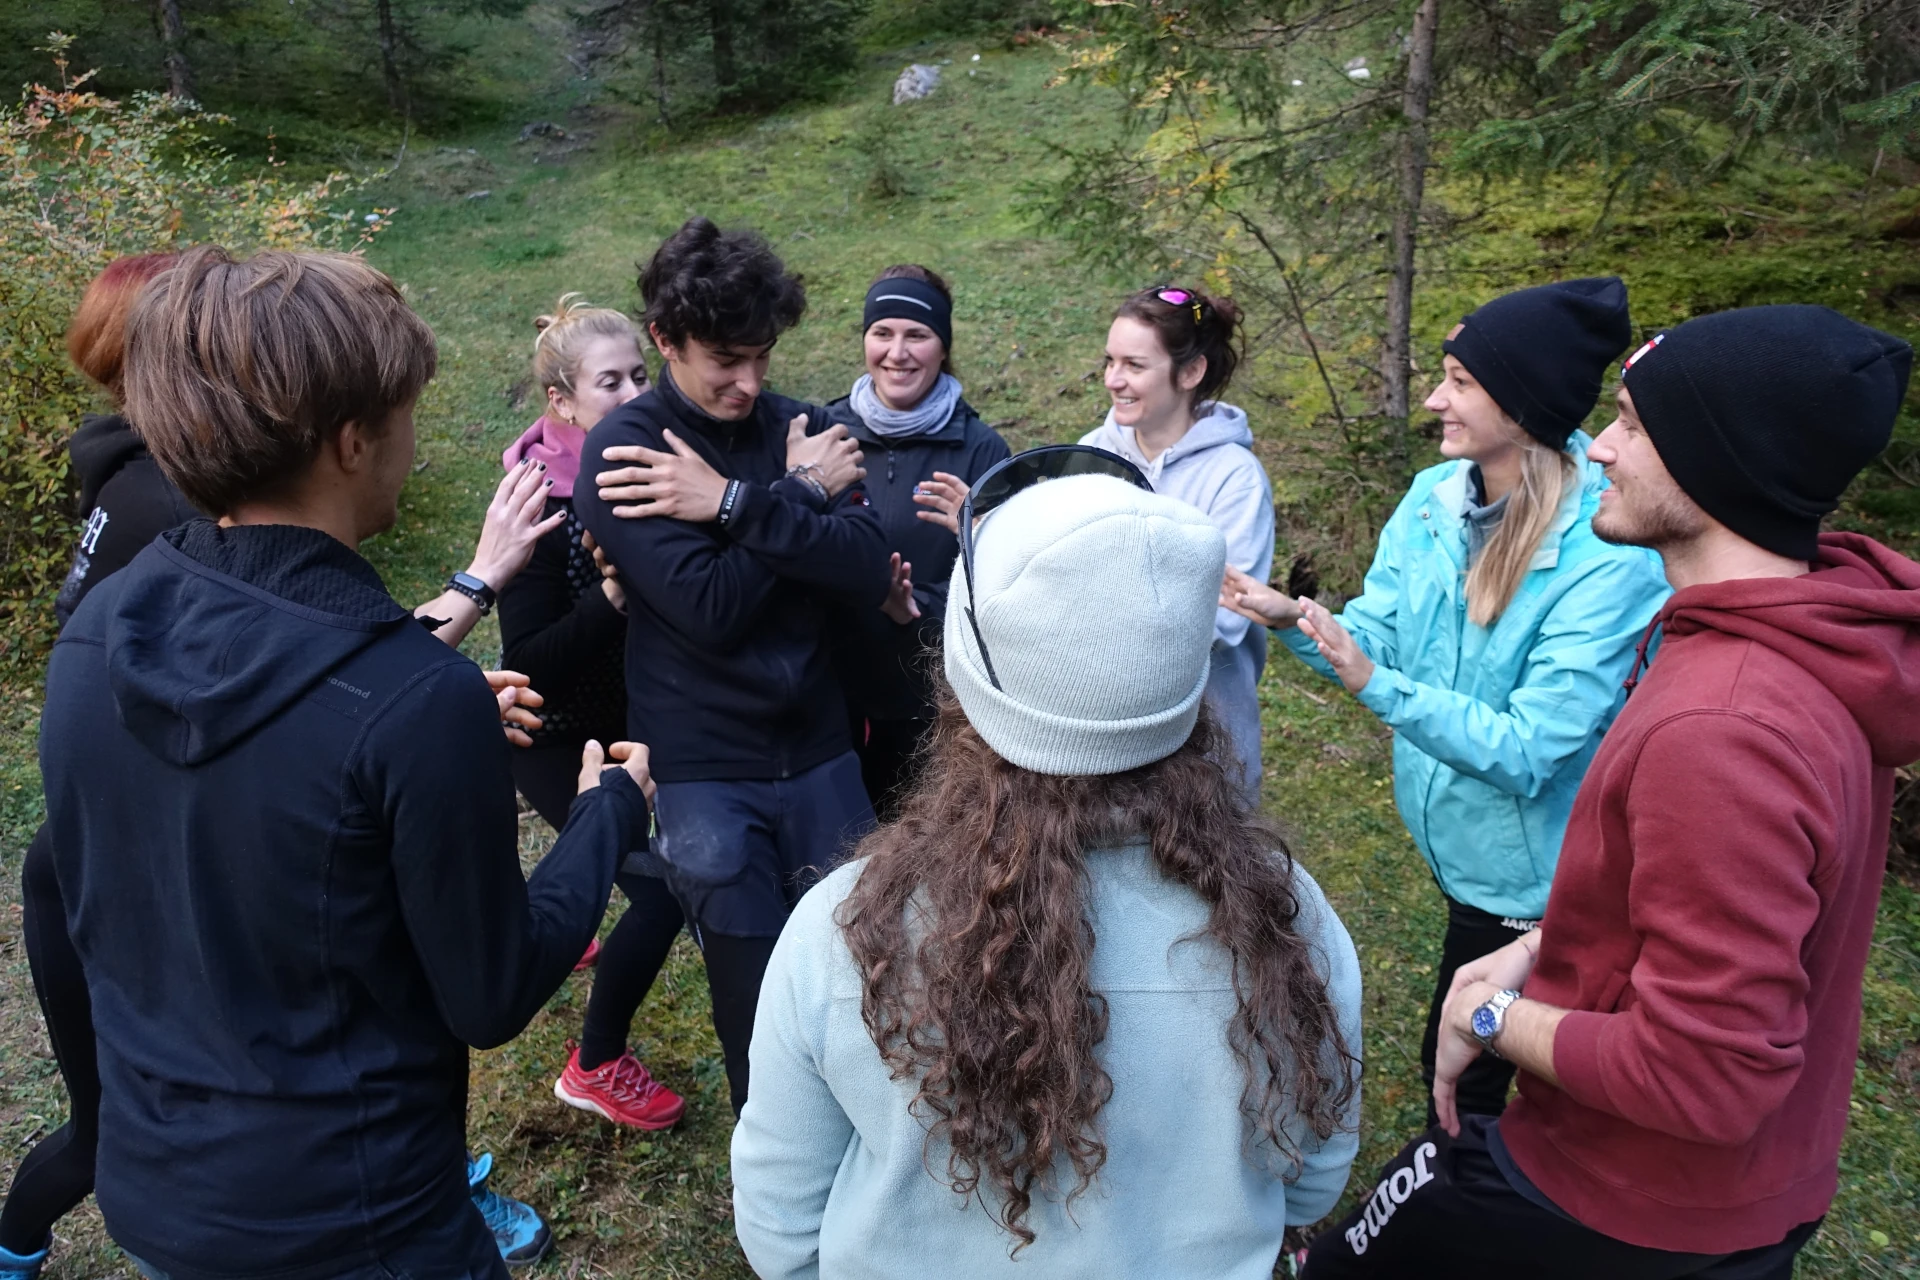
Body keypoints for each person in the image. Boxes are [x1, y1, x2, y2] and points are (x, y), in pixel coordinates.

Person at [35, 246, 655, 1280]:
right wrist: (604, 813)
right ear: (354, 438)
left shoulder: (100, 629)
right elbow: (490, 993)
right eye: (408, 411)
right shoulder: (413, 698)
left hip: (159, 1194)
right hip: (359, 1226)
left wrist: (426, 736)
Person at [1303, 304, 1919, 1278]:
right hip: (1742, 1188)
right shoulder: (1797, 633)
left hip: (1627, 1194)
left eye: (1631, 424)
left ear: (1722, 460)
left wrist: (1489, 1017)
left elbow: (1707, 1072)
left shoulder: (1724, 727)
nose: (1600, 452)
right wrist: (1543, 945)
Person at [731, 461, 1363, 1278]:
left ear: (962, 681)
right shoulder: (1288, 921)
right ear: (1188, 686)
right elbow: (1310, 1184)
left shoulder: (846, 928)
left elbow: (782, 1232)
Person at [1223, 278, 1668, 1124]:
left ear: (1523, 403)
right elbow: (1377, 643)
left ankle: (1459, 1191)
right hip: (1464, 854)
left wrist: (1372, 679)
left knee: (1464, 1079)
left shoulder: (1607, 561)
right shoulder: (1434, 501)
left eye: (1461, 381)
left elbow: (1533, 749)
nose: (1435, 397)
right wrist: (1299, 620)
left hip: (1534, 880)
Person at [574, 217, 890, 1116]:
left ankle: (863, 1133)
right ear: (665, 341)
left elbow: (867, 573)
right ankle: (774, 1170)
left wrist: (732, 506)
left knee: (851, 968)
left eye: (762, 356)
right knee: (751, 992)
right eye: (725, 360)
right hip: (708, 767)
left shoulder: (806, 426)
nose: (749, 382)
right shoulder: (626, 451)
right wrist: (796, 501)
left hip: (823, 748)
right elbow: (708, 610)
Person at [495, 294, 688, 1131]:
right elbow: (528, 659)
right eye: (610, 383)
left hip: (640, 719)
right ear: (562, 404)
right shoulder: (540, 507)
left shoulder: (656, 463)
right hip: (557, 737)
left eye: (641, 375)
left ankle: (565, 932)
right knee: (664, 895)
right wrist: (614, 591)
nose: (634, 395)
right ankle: (596, 1062)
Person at [816, 265, 1008, 816]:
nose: (897, 353)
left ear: (942, 347)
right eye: (883, 333)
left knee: (917, 849)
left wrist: (916, 607)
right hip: (830, 696)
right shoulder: (824, 433)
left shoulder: (981, 451)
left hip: (934, 698)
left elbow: (1003, 583)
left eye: (917, 335)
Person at [1084, 285, 1274, 798]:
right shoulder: (1091, 456)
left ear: (1190, 373)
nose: (1113, 379)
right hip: (1105, 733)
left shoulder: (1234, 478)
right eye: (1110, 361)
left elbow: (1226, 614)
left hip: (1208, 745)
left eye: (1134, 365)